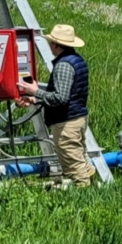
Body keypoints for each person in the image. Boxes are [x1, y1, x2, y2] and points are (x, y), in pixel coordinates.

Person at [17, 24, 95, 188]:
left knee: (73, 163)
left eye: (51, 42)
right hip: (77, 117)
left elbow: (61, 98)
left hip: (66, 122)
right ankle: (93, 186)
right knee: (80, 157)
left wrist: (35, 91)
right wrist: (35, 98)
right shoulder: (76, 60)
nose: (50, 45)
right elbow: (67, 93)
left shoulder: (63, 65)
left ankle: (85, 194)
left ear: (56, 45)